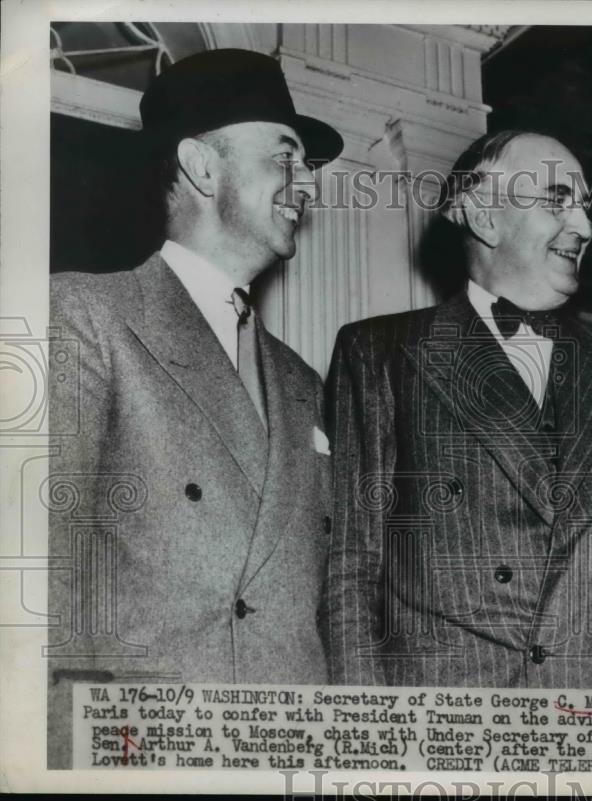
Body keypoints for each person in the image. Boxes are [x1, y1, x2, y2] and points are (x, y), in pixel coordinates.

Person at [325, 130, 592, 689]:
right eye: (558, 201)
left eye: (584, 206)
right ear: (484, 217)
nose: (585, 226)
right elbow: (351, 570)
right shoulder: (380, 354)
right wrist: (371, 742)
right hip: (458, 735)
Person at [46, 49, 343, 767]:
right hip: (147, 752)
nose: (304, 186)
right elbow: (39, 573)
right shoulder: (84, 314)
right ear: (202, 168)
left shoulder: (305, 382)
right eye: (285, 157)